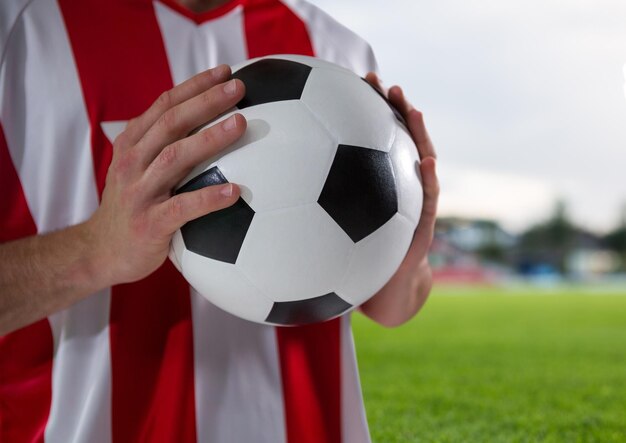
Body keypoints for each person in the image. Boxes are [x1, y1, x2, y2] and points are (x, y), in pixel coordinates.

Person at [0, 0, 439, 441]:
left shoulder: (337, 49)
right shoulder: (22, 28)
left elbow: (394, 305)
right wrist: (96, 251)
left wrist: (405, 247)